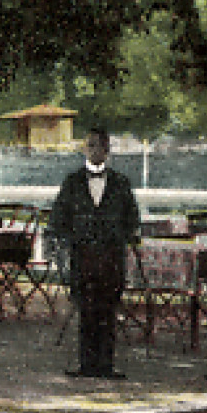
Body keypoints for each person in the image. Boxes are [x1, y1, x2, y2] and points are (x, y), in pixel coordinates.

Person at [46, 128, 140, 380]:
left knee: (108, 312)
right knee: (86, 311)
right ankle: (86, 364)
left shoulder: (121, 183)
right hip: (83, 257)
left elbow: (132, 220)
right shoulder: (72, 182)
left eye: (100, 146)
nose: (96, 150)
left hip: (111, 259)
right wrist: (70, 241)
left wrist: (118, 237)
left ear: (107, 150)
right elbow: (58, 219)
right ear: (85, 149)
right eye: (91, 146)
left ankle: (106, 365)